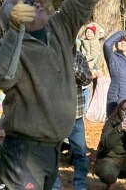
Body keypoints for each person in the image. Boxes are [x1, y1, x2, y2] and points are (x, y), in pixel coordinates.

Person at [0, 0, 118, 190]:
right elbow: (1, 76)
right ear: (15, 18)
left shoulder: (60, 27)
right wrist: (14, 31)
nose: (35, 2)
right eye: (25, 4)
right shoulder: (5, 48)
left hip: (52, 148)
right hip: (23, 150)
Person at [52, 49, 93, 190]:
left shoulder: (79, 56)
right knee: (53, 152)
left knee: (80, 152)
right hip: (55, 114)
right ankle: (55, 186)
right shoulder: (51, 53)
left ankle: (80, 185)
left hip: (76, 114)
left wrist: (72, 67)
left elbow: (87, 79)